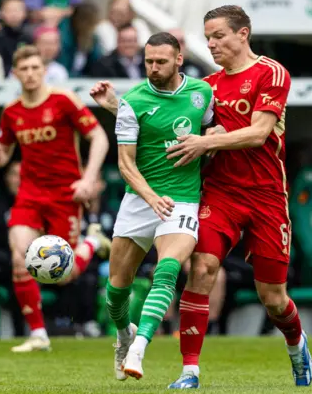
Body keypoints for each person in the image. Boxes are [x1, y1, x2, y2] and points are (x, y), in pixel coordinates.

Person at [165, 5, 312, 388]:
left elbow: (258, 133)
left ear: (242, 34)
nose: (211, 44)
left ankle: (296, 345)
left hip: (266, 196)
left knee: (273, 298)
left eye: (218, 36)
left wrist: (208, 140)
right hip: (221, 192)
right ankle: (189, 371)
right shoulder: (208, 87)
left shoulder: (271, 72)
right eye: (208, 37)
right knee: (201, 270)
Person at [89, 31, 214, 381]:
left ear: (178, 60)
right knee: (116, 289)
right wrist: (150, 197)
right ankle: (124, 334)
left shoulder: (202, 93)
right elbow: (126, 165)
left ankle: (140, 348)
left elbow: (211, 130)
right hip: (142, 200)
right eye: (148, 62)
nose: (153, 68)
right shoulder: (133, 101)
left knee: (168, 269)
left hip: (183, 200)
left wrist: (206, 140)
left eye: (161, 61)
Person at [0, 44, 111, 352]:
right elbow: (3, 154)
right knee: (20, 259)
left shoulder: (63, 100)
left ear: (44, 70)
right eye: (24, 69)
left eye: (35, 68)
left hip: (65, 195)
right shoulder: (11, 111)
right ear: (15, 74)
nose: (30, 74)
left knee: (63, 275)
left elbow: (99, 137)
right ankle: (38, 334)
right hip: (29, 194)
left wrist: (89, 178)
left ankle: (92, 242)